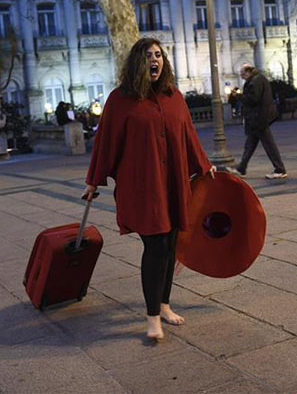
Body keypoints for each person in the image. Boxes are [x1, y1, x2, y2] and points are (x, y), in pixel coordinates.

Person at [82, 38, 216, 341]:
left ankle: (164, 305)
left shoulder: (174, 96)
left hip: (172, 185)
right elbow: (106, 142)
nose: (154, 60)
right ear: (137, 63)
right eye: (147, 56)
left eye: (158, 55)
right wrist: (94, 180)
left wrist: (204, 165)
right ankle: (153, 316)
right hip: (142, 188)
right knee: (155, 247)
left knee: (169, 246)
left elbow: (188, 135)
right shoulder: (120, 100)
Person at [226, 64, 287, 179]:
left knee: (268, 145)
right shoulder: (257, 79)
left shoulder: (255, 81)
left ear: (248, 72)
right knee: (250, 144)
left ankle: (280, 169)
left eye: (243, 74)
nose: (242, 76)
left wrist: (238, 96)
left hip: (259, 118)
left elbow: (253, 99)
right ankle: (241, 168)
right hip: (257, 118)